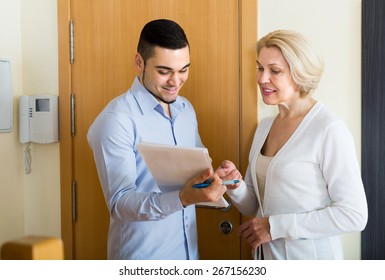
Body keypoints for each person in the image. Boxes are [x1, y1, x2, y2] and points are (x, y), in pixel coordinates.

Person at [217, 30, 368, 260]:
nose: (261, 78)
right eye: (260, 68)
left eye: (274, 71)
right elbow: (253, 206)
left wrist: (275, 226)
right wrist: (233, 183)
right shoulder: (264, 128)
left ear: (300, 74)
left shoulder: (328, 129)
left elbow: (354, 214)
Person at [87, 19, 228, 260]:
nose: (176, 81)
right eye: (164, 72)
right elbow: (120, 203)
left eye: (183, 70)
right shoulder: (117, 120)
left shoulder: (186, 110)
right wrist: (182, 198)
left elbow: (194, 174)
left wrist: (217, 179)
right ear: (139, 62)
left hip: (187, 256)